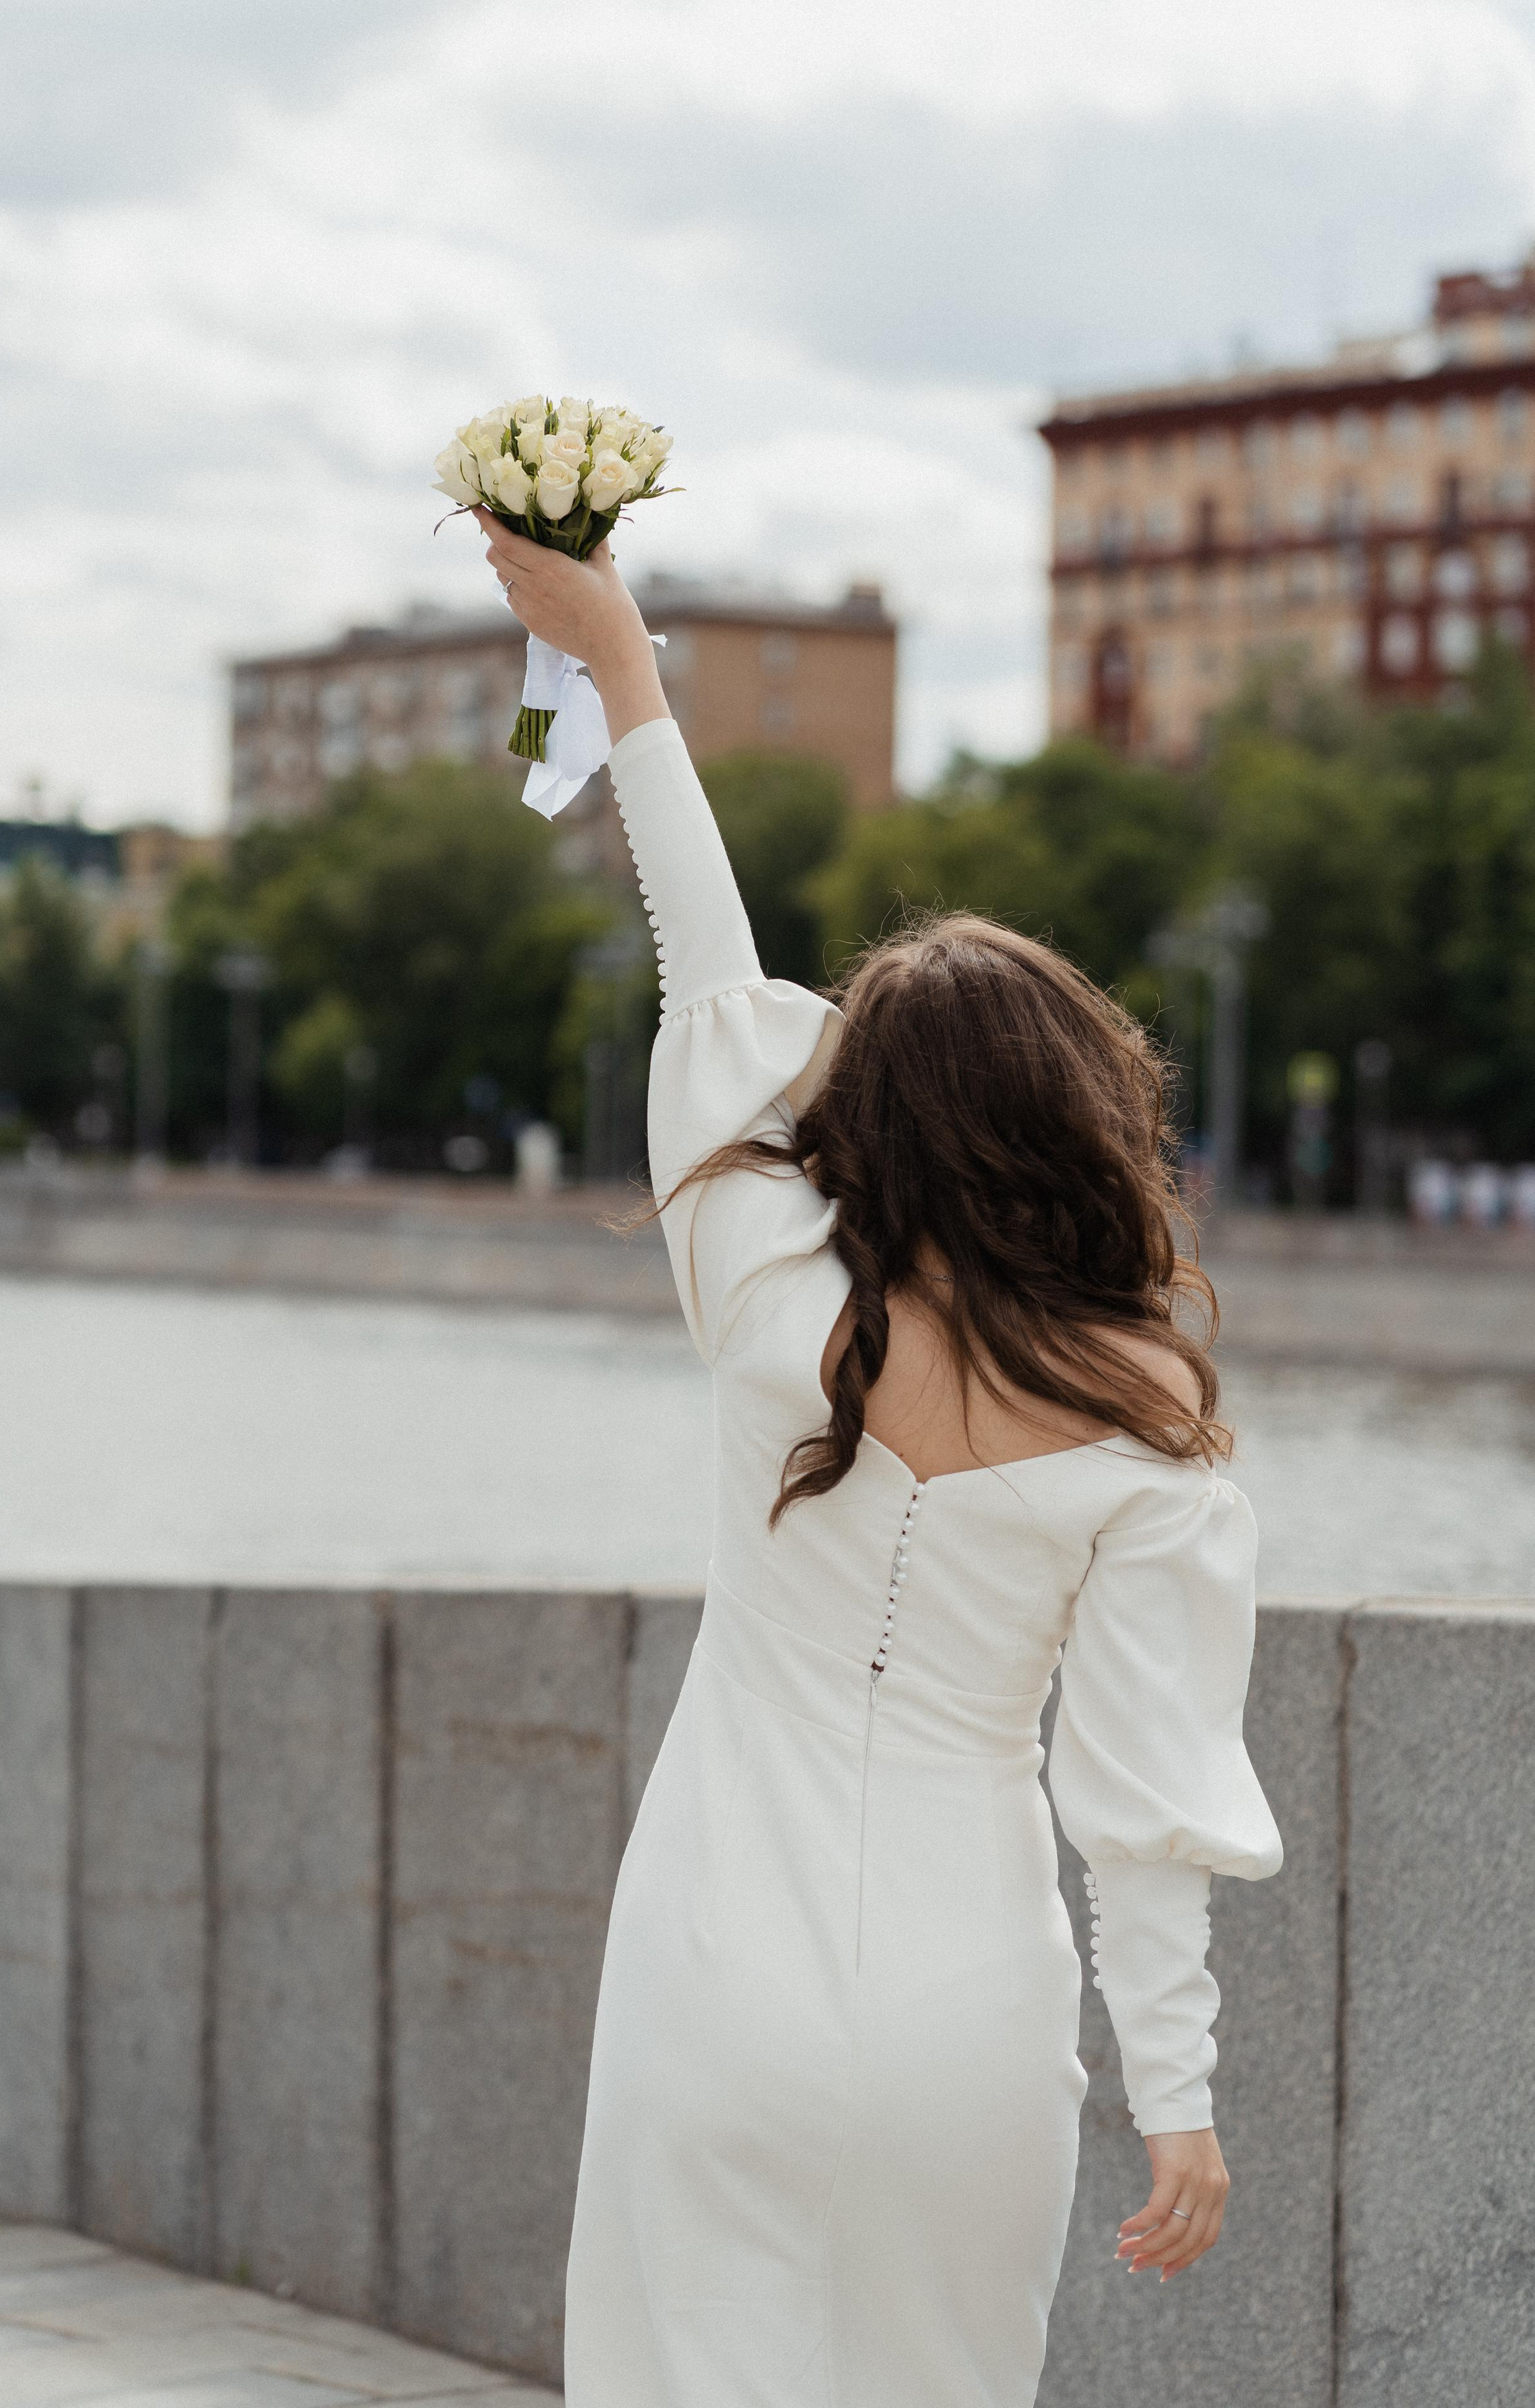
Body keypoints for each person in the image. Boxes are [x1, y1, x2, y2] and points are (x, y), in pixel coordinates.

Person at [476, 513, 1283, 2408]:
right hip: (967, 2018)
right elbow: (1147, 1807)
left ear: (864, 1125)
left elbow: (709, 977)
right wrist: (1178, 2096)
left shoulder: (772, 1320)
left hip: (709, 1970)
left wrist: (625, 676)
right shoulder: (1151, 1442)